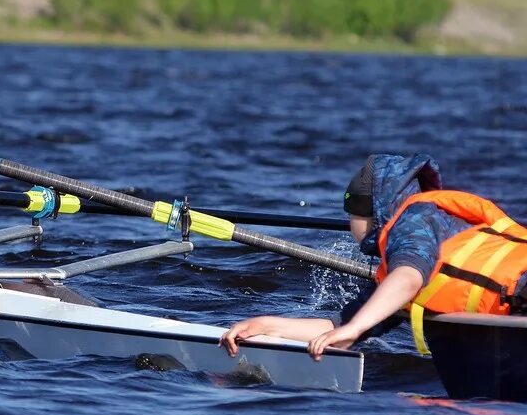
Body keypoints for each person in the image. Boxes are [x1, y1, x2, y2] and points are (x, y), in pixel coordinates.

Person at [221, 154, 527, 361]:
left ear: (370, 213)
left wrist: (352, 330)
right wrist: (266, 326)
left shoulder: (414, 220)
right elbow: (337, 329)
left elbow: (408, 277)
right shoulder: (388, 288)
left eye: (351, 216)